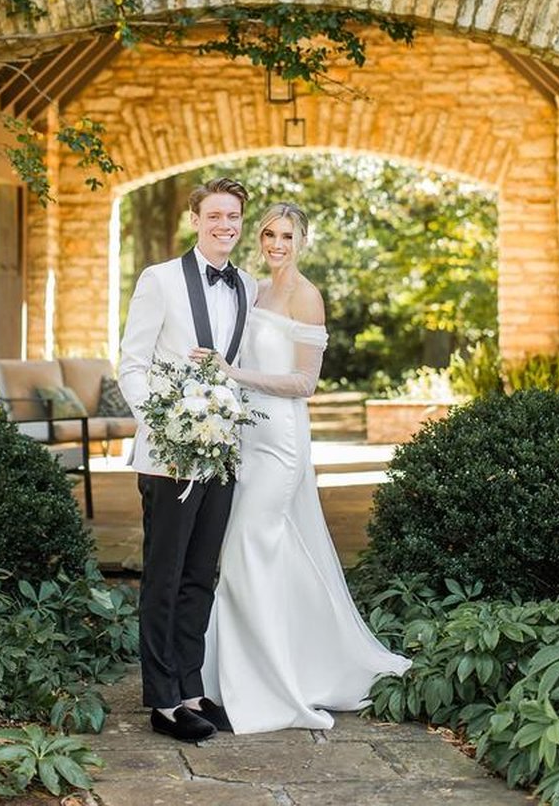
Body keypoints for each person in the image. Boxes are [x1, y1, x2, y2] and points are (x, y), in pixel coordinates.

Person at [192, 202, 411, 734]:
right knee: (264, 556)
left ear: (302, 241)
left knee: (246, 548)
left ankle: (268, 688)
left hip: (282, 442)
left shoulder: (306, 296)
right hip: (245, 439)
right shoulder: (253, 289)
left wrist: (234, 374)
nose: (276, 244)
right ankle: (233, 680)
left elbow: (305, 384)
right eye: (269, 233)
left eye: (287, 235)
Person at [118, 177, 258, 743]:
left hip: (223, 454)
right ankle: (162, 700)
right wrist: (169, 424)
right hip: (168, 456)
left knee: (201, 575)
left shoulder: (245, 283)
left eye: (234, 217)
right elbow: (131, 364)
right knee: (164, 576)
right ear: (196, 219)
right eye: (216, 215)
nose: (226, 225)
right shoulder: (159, 280)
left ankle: (192, 688)